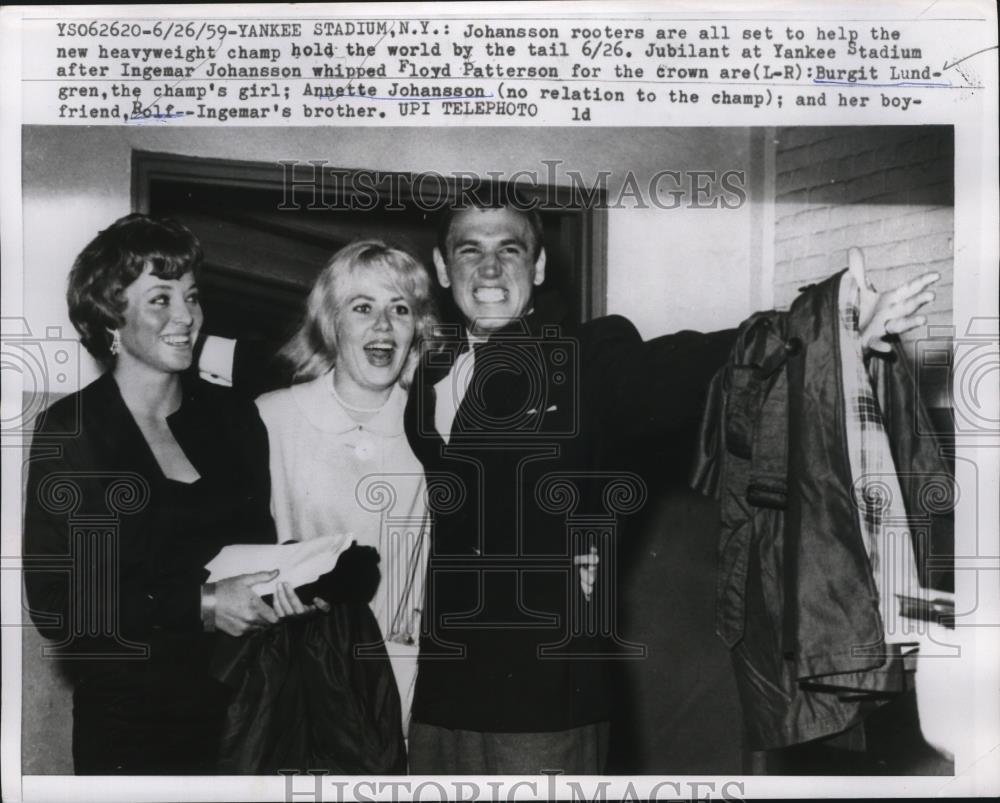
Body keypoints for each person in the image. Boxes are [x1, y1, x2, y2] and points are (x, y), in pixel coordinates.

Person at [400, 189, 940, 775]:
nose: (489, 268)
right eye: (469, 250)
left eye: (510, 249)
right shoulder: (429, 376)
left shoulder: (584, 360)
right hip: (441, 690)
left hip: (543, 692)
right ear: (440, 267)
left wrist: (824, 337)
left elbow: (687, 365)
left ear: (539, 266)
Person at [23, 213, 281, 774]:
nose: (186, 316)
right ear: (110, 316)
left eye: (192, 296)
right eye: (161, 299)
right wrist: (204, 604)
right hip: (128, 725)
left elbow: (259, 552)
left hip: (242, 715)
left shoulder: (235, 420)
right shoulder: (74, 430)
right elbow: (58, 603)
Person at [213, 240, 437, 773]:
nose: (383, 325)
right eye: (363, 307)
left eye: (399, 308)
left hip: (410, 683)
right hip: (297, 678)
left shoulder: (436, 424)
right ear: (331, 324)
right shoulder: (271, 418)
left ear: (417, 329)